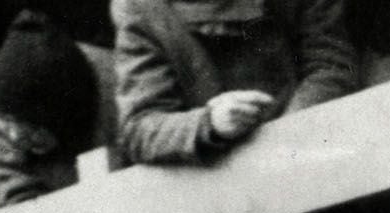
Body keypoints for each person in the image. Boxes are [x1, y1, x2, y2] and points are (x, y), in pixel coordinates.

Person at [112, 0, 358, 165]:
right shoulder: (141, 8)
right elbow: (139, 127)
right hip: (217, 181)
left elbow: (331, 64)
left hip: (315, 147)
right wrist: (210, 123)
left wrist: (287, 137)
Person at [0, 9, 118, 207]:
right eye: (9, 119)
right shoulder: (6, 123)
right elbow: (17, 203)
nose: (14, 136)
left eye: (33, 129)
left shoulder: (120, 95)